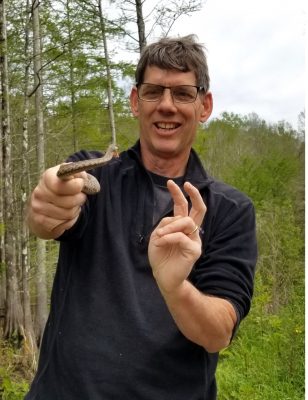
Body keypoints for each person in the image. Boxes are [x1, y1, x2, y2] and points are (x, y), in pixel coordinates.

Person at [25, 35, 257, 400]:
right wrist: (45, 208)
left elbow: (218, 333)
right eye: (153, 92)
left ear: (204, 105)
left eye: (182, 94)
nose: (167, 106)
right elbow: (51, 215)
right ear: (136, 101)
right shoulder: (94, 177)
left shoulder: (231, 210)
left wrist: (175, 288)